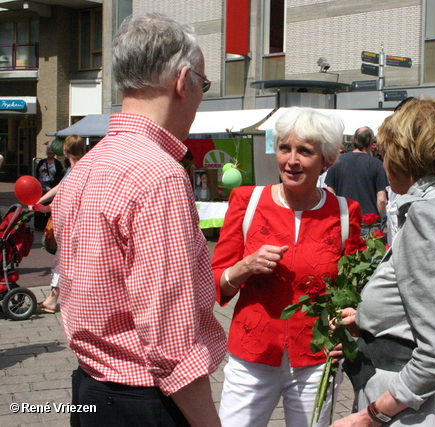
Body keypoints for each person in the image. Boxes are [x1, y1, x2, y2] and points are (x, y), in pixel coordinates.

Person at [51, 13, 226, 427]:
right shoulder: (159, 174)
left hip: (89, 388)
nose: (201, 95)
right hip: (146, 400)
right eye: (204, 83)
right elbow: (171, 337)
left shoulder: (88, 166)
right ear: (183, 81)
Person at [330, 98, 435, 426]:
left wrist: (371, 415)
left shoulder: (427, 216)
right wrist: (366, 316)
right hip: (433, 398)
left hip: (413, 408)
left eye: (386, 152)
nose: (383, 161)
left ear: (405, 155)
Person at [211, 107, 362, 427]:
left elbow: (352, 289)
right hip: (252, 355)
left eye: (305, 151)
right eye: (284, 148)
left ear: (327, 160)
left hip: (316, 359)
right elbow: (216, 282)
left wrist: (348, 328)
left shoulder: (346, 213)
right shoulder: (247, 201)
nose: (291, 160)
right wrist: (244, 267)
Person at [32, 134, 86, 314]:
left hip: (72, 226)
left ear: (66, 150)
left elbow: (67, 195)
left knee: (62, 262)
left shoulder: (77, 171)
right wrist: (43, 201)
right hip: (77, 225)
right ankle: (57, 299)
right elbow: (61, 189)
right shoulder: (79, 169)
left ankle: (53, 300)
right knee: (69, 263)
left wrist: (46, 206)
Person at [325, 126, 388, 231]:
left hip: (344, 220)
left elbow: (329, 192)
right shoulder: (377, 164)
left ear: (353, 140)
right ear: (370, 143)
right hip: (369, 223)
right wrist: (380, 220)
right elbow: (381, 199)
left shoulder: (338, 162)